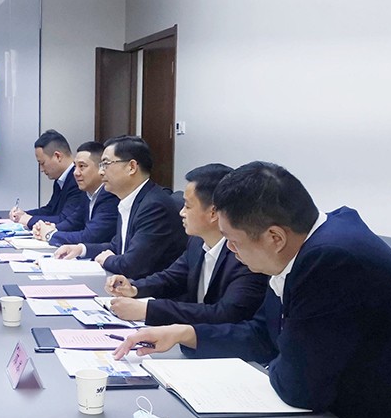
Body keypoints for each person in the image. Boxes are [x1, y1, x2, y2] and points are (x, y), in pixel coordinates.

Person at [112, 162, 391, 418]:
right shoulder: (306, 247)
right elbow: (263, 334)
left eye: (233, 241)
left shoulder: (330, 261)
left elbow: (300, 386)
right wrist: (184, 333)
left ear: (274, 237)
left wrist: (279, 359)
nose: (232, 252)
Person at [104, 163, 267, 325]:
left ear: (213, 213)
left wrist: (149, 310)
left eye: (188, 206)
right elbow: (172, 278)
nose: (181, 212)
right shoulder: (197, 241)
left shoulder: (243, 255)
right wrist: (134, 288)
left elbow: (225, 314)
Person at [53, 136, 184, 278]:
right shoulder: (129, 200)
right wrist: (81, 249)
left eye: (106, 164)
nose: (101, 172)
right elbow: (117, 246)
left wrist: (107, 259)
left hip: (146, 289)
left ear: (131, 167)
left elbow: (132, 265)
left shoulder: (154, 206)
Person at [31, 141, 119, 247]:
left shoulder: (110, 196)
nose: (75, 173)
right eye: (75, 166)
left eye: (82, 166)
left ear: (101, 168)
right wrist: (52, 228)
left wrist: (50, 235)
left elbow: (89, 237)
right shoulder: (87, 193)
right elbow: (73, 222)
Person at [9, 129, 86, 230]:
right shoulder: (61, 180)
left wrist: (29, 220)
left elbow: (65, 220)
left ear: (57, 156)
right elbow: (51, 210)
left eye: (42, 163)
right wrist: (24, 214)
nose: (41, 169)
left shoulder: (77, 180)